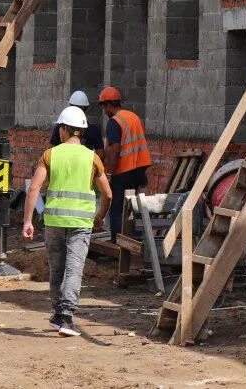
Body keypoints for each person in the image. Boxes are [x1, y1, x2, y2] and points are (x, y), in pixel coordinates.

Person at [23, 105, 112, 337]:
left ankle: (57, 313)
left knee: (57, 269)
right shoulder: (92, 158)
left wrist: (27, 222)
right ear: (80, 131)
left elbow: (34, 188)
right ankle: (67, 317)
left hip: (54, 221)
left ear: (64, 129)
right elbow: (108, 194)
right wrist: (100, 215)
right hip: (81, 223)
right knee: (74, 270)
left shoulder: (50, 155)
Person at [98, 86, 151, 239]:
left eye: (103, 107)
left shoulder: (114, 122)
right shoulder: (133, 117)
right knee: (132, 206)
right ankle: (133, 238)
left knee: (117, 208)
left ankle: (117, 242)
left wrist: (109, 173)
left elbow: (115, 150)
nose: (104, 111)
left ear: (108, 105)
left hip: (122, 171)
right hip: (138, 168)